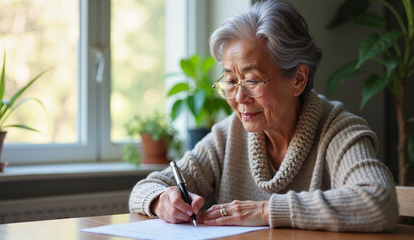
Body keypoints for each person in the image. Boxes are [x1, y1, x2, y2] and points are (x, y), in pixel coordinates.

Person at [129, 0, 398, 232]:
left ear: (298, 79)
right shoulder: (229, 134)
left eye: (252, 80)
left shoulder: (339, 131)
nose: (239, 97)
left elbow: (378, 202)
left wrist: (266, 211)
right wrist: (162, 199)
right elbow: (148, 186)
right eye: (231, 81)